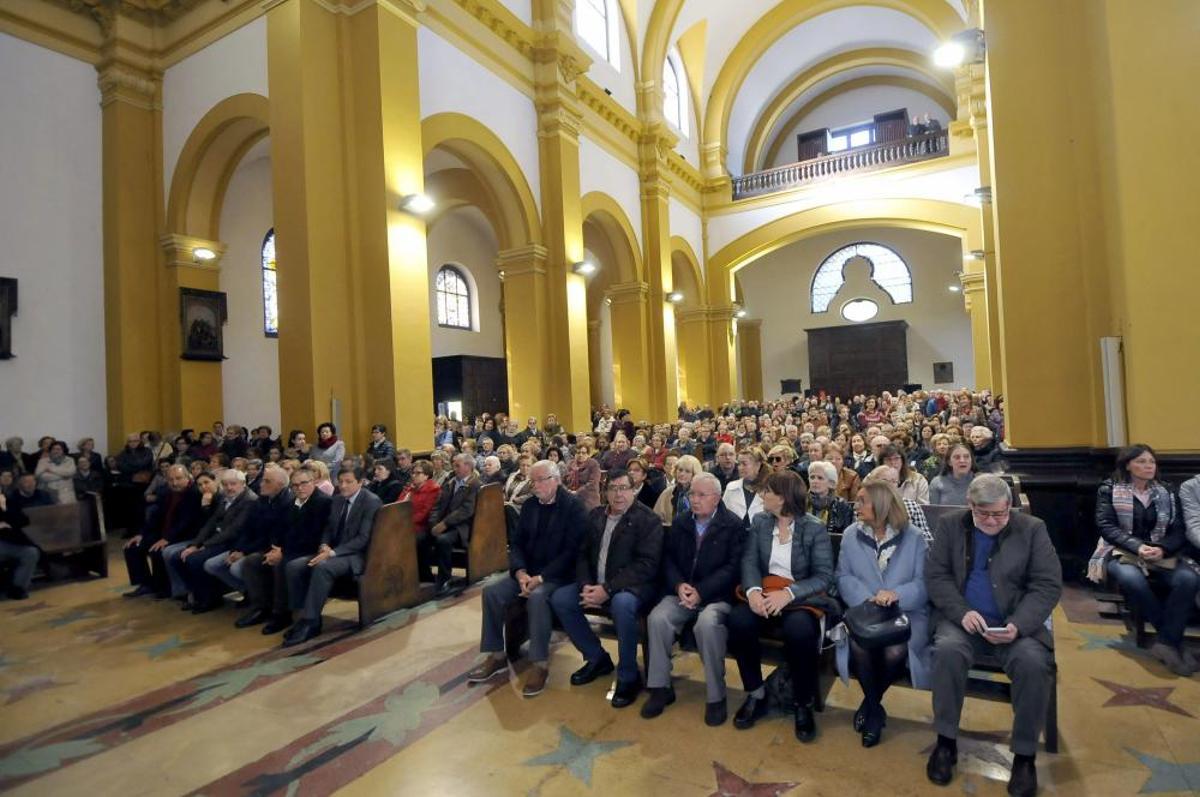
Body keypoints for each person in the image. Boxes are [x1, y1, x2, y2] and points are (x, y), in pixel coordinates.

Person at [924, 474, 1061, 797]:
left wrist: (1019, 623)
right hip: (963, 621)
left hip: (1015, 624)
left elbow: (1047, 584)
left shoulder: (1032, 529)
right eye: (982, 514)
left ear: (1009, 507)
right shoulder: (951, 525)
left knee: (1033, 664)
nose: (991, 521)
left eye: (999, 514)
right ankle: (945, 742)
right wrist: (961, 612)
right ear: (970, 505)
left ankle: (1024, 756)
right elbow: (936, 575)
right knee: (946, 653)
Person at [728, 470, 835, 743]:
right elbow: (750, 561)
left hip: (798, 598)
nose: (762, 496)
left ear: (784, 498)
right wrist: (752, 592)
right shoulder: (762, 522)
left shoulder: (813, 527)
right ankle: (756, 693)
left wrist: (789, 593)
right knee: (739, 621)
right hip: (765, 592)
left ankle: (803, 702)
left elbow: (823, 576)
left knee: (800, 630)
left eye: (768, 492)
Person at [468, 461, 588, 697]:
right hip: (528, 572)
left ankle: (539, 664)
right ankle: (497, 654)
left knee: (537, 597)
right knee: (492, 592)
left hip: (558, 575)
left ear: (556, 480)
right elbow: (518, 543)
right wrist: (521, 572)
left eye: (540, 480)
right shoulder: (531, 506)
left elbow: (573, 552)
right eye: (533, 481)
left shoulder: (574, 507)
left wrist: (541, 578)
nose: (535, 486)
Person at [550, 468, 664, 708]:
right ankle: (596, 658)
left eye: (624, 488)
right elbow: (581, 555)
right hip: (597, 584)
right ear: (605, 492)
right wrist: (586, 585)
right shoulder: (596, 516)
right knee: (561, 598)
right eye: (612, 488)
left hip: (632, 588)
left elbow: (646, 565)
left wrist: (607, 590)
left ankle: (628, 676)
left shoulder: (648, 520)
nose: (618, 494)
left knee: (622, 606)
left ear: (634, 491)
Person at [642, 473, 744, 725]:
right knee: (658, 618)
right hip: (683, 592)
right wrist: (679, 586)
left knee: (706, 625)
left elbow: (733, 569)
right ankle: (660, 687)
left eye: (701, 495)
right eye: (692, 494)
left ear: (717, 498)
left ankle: (716, 695)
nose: (695, 500)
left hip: (716, 596)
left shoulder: (733, 525)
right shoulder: (681, 522)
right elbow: (668, 559)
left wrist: (702, 591)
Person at [835, 481, 930, 747]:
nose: (857, 505)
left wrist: (896, 593)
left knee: (895, 650)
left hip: (906, 614)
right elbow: (842, 576)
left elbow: (924, 584)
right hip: (864, 613)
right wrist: (867, 598)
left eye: (863, 500)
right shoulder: (851, 534)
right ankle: (876, 711)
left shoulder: (913, 537)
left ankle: (870, 704)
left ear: (882, 505)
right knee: (860, 644)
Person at [1092, 444, 1197, 675]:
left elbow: (1179, 529)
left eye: (1151, 462)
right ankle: (1172, 642)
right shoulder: (1110, 489)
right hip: (1123, 551)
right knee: (1133, 580)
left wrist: (1161, 548)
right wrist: (1137, 546)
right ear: (1128, 465)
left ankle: (1166, 643)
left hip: (1161, 552)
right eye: (1141, 461)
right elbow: (1107, 526)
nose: (1148, 466)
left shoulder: (1167, 491)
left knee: (1188, 579)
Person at [284, 467, 382, 646]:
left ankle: (311, 622)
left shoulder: (371, 501)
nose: (343, 486)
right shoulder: (337, 500)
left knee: (323, 567)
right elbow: (328, 528)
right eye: (340, 481)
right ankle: (300, 616)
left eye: (348, 482)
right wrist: (324, 545)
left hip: (355, 556)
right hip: (332, 551)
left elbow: (363, 539)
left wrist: (332, 553)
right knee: (294, 566)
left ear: (360, 482)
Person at [244, 466, 333, 636]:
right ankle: (261, 607)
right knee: (253, 561)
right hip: (291, 549)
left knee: (284, 564)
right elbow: (281, 529)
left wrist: (283, 552)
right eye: (295, 485)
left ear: (313, 482)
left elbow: (314, 536)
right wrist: (276, 548)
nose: (299, 488)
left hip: (312, 549)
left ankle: (283, 614)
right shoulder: (293, 502)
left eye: (303, 483)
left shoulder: (323, 502)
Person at [210, 464, 294, 628]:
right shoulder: (262, 500)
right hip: (261, 545)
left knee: (252, 561)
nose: (261, 484)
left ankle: (276, 611)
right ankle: (260, 606)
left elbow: (277, 535)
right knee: (229, 563)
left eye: (267, 481)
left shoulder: (287, 502)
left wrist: (248, 551)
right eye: (263, 480)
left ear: (280, 484)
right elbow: (247, 529)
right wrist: (239, 549)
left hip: (277, 547)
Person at [170, 468, 259, 612]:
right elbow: (211, 523)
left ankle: (209, 599)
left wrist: (204, 546)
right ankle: (197, 595)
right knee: (177, 557)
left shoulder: (249, 500)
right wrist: (195, 544)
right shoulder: (226, 497)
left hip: (235, 542)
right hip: (219, 539)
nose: (229, 488)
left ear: (243, 483)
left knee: (195, 559)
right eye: (225, 484)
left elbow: (233, 530)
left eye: (233, 484)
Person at [122, 465, 204, 599]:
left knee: (157, 550)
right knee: (132, 547)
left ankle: (163, 588)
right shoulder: (165, 492)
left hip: (185, 534)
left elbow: (187, 521)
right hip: (163, 533)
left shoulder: (194, 493)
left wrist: (168, 538)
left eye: (178, 478)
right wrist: (141, 534)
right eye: (171, 479)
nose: (174, 483)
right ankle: (146, 584)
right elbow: (154, 517)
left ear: (187, 477)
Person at [426, 453, 481, 593]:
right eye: (453, 465)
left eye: (457, 465)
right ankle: (425, 576)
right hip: (443, 523)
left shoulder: (474, 485)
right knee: (420, 538)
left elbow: (466, 510)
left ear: (468, 466)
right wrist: (433, 524)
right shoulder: (450, 482)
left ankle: (444, 578)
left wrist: (444, 524)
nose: (454, 468)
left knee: (443, 540)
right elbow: (437, 506)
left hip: (461, 527)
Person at [0, 490, 38, 599]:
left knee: (30, 552)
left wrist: (4, 509)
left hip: (10, 542)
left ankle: (18, 589)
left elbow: (24, 520)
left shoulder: (8, 502)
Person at [721, 448, 766, 528]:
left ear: (758, 465)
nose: (740, 468)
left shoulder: (769, 490)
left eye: (744, 464)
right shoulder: (731, 487)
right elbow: (722, 515)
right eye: (739, 464)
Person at [807, 461, 854, 535]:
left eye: (820, 478)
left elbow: (846, 536)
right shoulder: (801, 502)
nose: (814, 481)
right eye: (812, 477)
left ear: (831, 483)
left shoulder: (842, 507)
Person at [653, 454, 702, 525]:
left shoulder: (702, 494)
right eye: (680, 470)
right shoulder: (668, 492)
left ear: (695, 474)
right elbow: (655, 519)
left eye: (687, 471)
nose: (682, 474)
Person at [34, 440, 76, 505]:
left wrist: (51, 470)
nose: (56, 451)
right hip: (47, 493)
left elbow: (70, 472)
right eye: (53, 449)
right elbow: (41, 477)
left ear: (63, 450)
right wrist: (63, 475)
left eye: (58, 449)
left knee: (69, 513)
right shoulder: (42, 461)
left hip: (67, 494)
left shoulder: (70, 460)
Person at [565, 442, 601, 510]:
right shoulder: (570, 464)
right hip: (571, 496)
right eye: (578, 453)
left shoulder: (593, 464)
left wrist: (577, 492)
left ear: (588, 454)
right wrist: (567, 491)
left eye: (583, 453)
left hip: (588, 498)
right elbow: (563, 480)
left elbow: (593, 483)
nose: (580, 455)